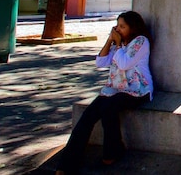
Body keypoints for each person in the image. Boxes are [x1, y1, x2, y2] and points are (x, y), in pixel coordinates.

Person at [56, 11, 153, 175]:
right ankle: (66, 164)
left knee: (109, 108)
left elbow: (124, 64)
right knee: (88, 115)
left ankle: (112, 152)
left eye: (123, 26)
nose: (119, 29)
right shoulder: (119, 43)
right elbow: (100, 62)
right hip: (114, 88)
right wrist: (110, 41)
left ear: (132, 27)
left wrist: (119, 44)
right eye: (117, 26)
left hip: (137, 89)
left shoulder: (141, 42)